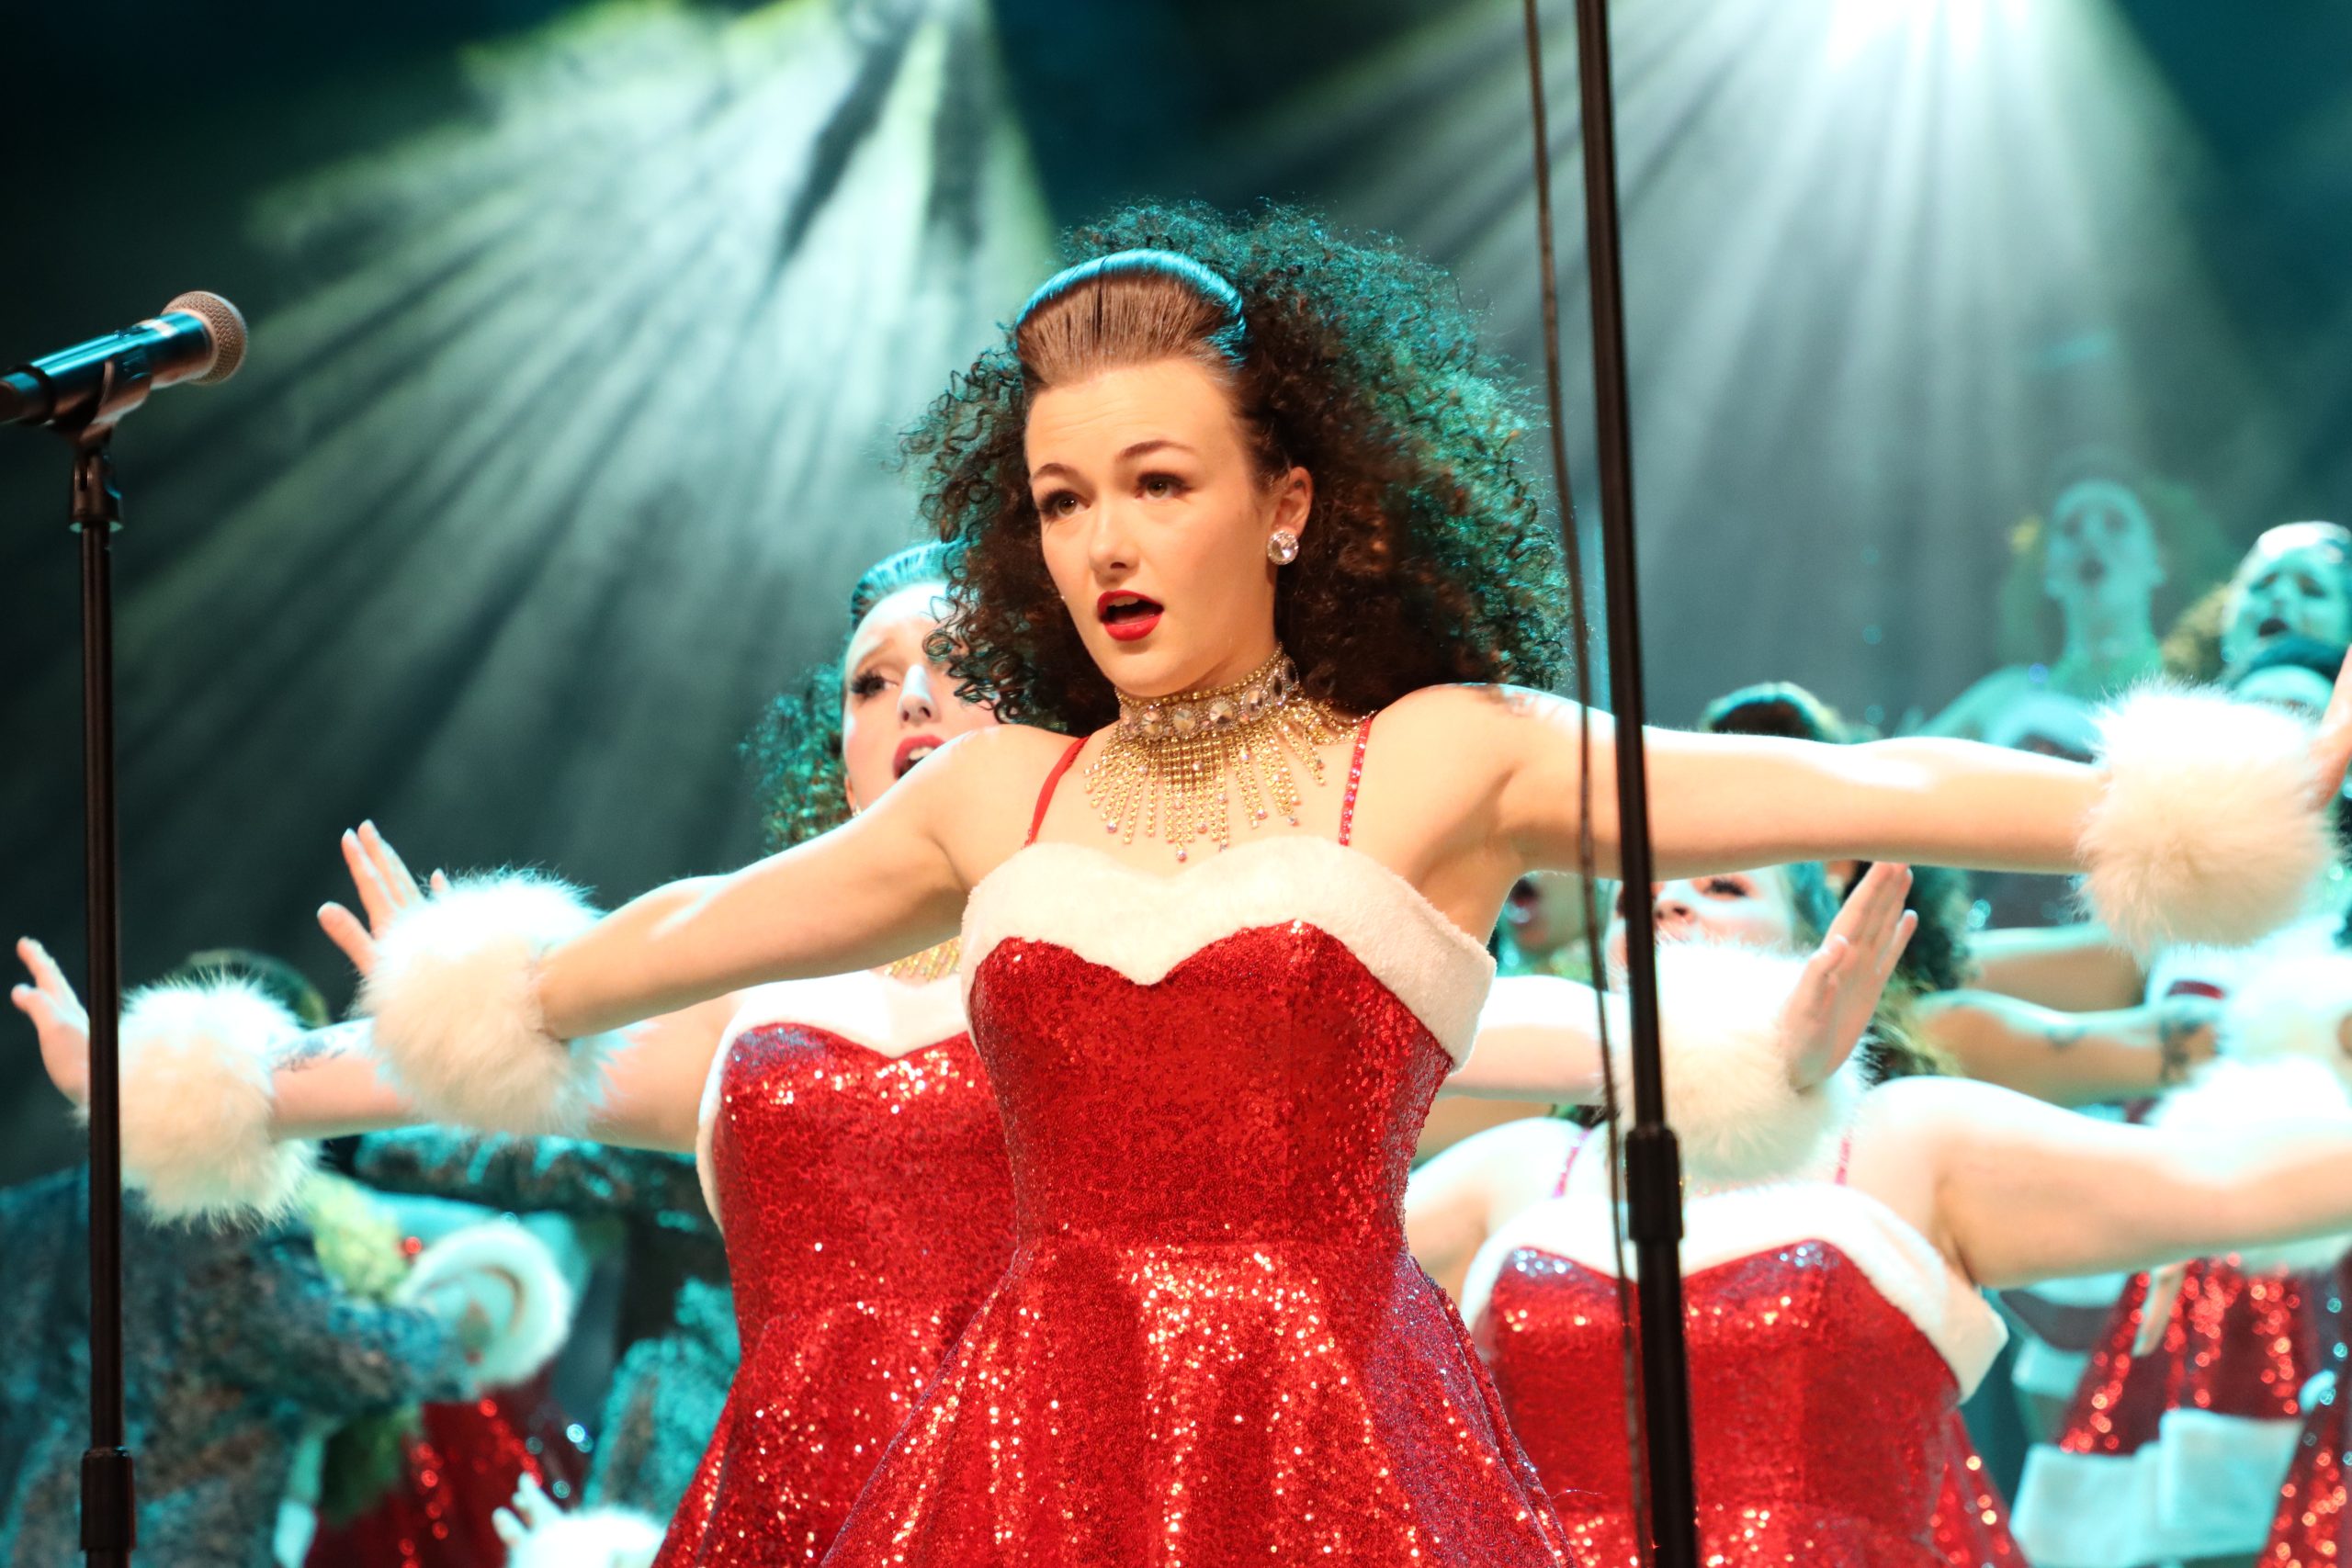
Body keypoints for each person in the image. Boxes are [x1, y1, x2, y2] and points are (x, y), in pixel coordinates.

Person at [320, 207, 2350, 1565]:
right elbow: (682, 934)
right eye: (1057, 498)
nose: (1100, 540)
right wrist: (481, 976)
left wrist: (2242, 781)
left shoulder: (1432, 760)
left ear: (1289, 502)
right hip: (1026, 1451)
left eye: (1158, 480)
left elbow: (1842, 775)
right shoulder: (999, 793)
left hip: (1333, 1437)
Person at [1457, 919, 2352, 1566]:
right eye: (1636, 897)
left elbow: (2233, 1181)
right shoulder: (1519, 1168)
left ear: (1825, 933)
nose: (1667, 906)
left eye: (1723, 885)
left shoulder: (1911, 1138)